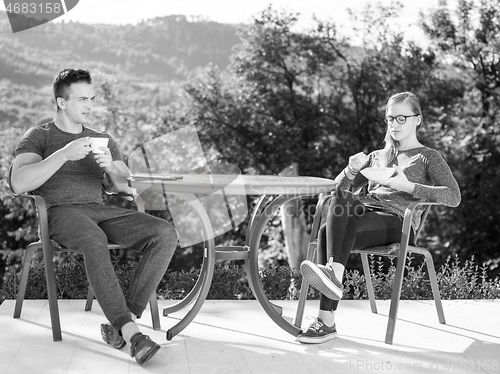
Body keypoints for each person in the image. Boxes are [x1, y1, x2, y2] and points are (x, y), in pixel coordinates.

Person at [10, 69, 178, 365]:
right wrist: (63, 154)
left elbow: (126, 185)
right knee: (93, 238)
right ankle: (132, 335)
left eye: (92, 99)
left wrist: (112, 168)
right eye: (82, 99)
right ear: (61, 102)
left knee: (164, 233)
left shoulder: (101, 138)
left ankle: (122, 323)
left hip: (100, 210)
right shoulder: (40, 137)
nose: (89, 105)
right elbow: (19, 182)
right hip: (61, 214)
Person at [297, 91, 461, 344]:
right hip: (366, 213)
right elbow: (338, 189)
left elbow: (453, 196)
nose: (394, 124)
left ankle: (326, 316)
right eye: (390, 119)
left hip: (398, 222)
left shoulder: (428, 157)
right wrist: (351, 170)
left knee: (323, 233)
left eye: (401, 118)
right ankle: (332, 278)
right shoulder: (377, 156)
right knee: (340, 200)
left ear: (417, 120)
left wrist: (409, 187)